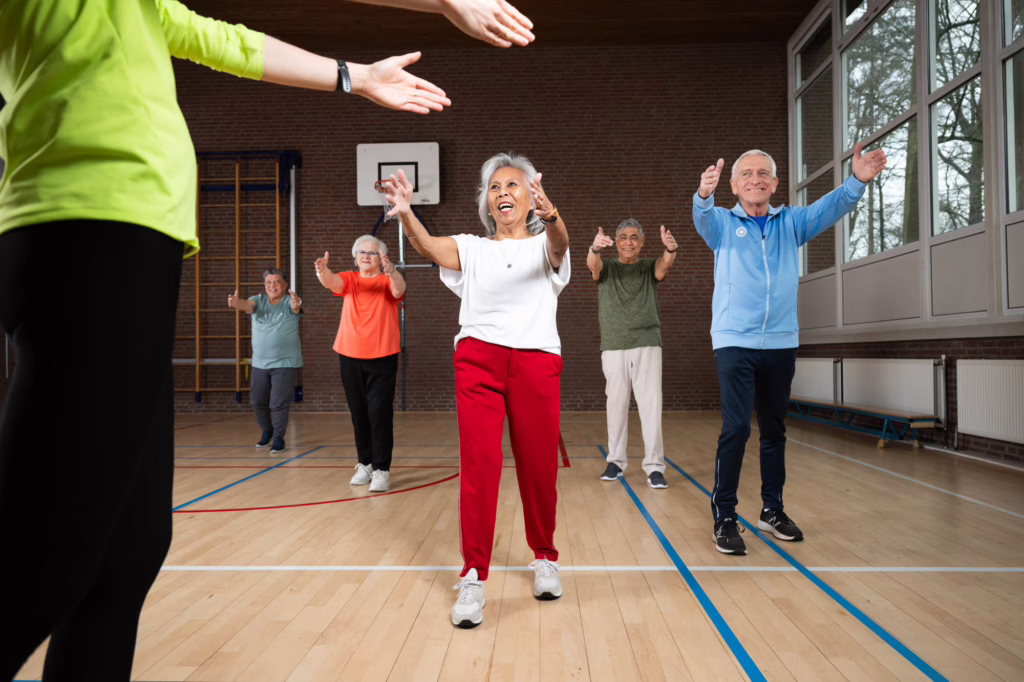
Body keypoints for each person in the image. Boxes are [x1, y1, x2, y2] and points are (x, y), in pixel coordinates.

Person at [0, 0, 533, 677]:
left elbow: (223, 40)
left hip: (137, 244)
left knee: (126, 555)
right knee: (49, 552)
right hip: (83, 231)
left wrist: (353, 77)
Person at [385, 152, 569, 629]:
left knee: (538, 466)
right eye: (494, 187)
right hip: (479, 361)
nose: (503, 192)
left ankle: (545, 557)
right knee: (480, 468)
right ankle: (472, 575)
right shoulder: (472, 246)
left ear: (531, 196)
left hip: (536, 360)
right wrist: (406, 211)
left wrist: (554, 217)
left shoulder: (545, 242)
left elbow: (559, 245)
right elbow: (427, 247)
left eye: (512, 185)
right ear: (487, 202)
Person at [692, 144, 887, 556]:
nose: (756, 179)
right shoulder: (724, 223)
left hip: (781, 342)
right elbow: (703, 218)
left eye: (763, 173)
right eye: (747, 174)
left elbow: (829, 208)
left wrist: (857, 182)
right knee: (738, 427)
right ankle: (724, 513)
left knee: (775, 430)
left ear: (775, 183)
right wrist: (703, 195)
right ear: (735, 185)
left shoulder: (791, 223)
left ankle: (772, 510)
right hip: (734, 341)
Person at [588, 218, 678, 489]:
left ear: (641, 243)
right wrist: (594, 248)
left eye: (634, 238)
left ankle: (654, 466)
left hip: (647, 341)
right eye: (624, 237)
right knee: (616, 404)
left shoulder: (649, 266)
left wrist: (670, 250)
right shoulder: (608, 267)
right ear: (616, 243)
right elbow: (593, 267)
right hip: (614, 345)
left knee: (650, 405)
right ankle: (615, 462)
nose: (629, 242)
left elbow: (663, 267)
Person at [314, 237, 406, 493]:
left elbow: (399, 290)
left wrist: (393, 272)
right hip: (350, 355)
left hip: (383, 355)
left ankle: (381, 470)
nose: (366, 255)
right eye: (362, 252)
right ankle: (364, 463)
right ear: (355, 258)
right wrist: (322, 270)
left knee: (379, 413)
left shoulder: (387, 278)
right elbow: (331, 281)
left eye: (372, 252)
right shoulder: (351, 279)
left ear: (381, 258)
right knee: (359, 413)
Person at [228, 269, 303, 455]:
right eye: (269, 282)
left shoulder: (288, 302)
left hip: (285, 363)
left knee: (277, 403)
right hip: (260, 363)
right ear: (264, 286)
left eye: (277, 282)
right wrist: (238, 303)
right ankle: (267, 430)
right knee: (257, 401)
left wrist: (297, 304)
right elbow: (248, 306)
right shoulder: (258, 300)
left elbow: (296, 307)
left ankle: (278, 438)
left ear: (284, 285)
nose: (272, 285)